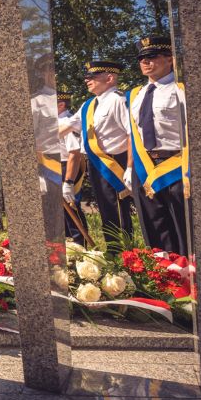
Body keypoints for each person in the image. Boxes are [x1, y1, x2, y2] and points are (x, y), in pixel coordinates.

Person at [127, 35, 188, 257]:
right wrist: (129, 167)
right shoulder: (136, 94)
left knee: (182, 227)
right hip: (145, 166)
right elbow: (133, 134)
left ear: (169, 59)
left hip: (175, 165)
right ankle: (163, 275)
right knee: (153, 226)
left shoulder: (180, 89)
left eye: (152, 56)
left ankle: (189, 275)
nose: (145, 61)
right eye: (141, 57)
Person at [79, 59, 134, 254]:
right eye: (87, 77)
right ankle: (113, 252)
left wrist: (129, 167)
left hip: (114, 163)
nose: (87, 80)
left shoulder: (118, 99)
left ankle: (125, 256)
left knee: (118, 211)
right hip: (96, 164)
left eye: (92, 76)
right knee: (105, 210)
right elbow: (69, 125)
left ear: (110, 78)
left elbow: (131, 134)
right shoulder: (89, 105)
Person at [56, 90, 89, 246]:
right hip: (54, 167)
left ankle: (80, 246)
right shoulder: (55, 122)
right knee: (60, 212)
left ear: (61, 104)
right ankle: (66, 247)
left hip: (67, 168)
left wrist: (69, 182)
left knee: (71, 209)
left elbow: (74, 154)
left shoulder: (67, 122)